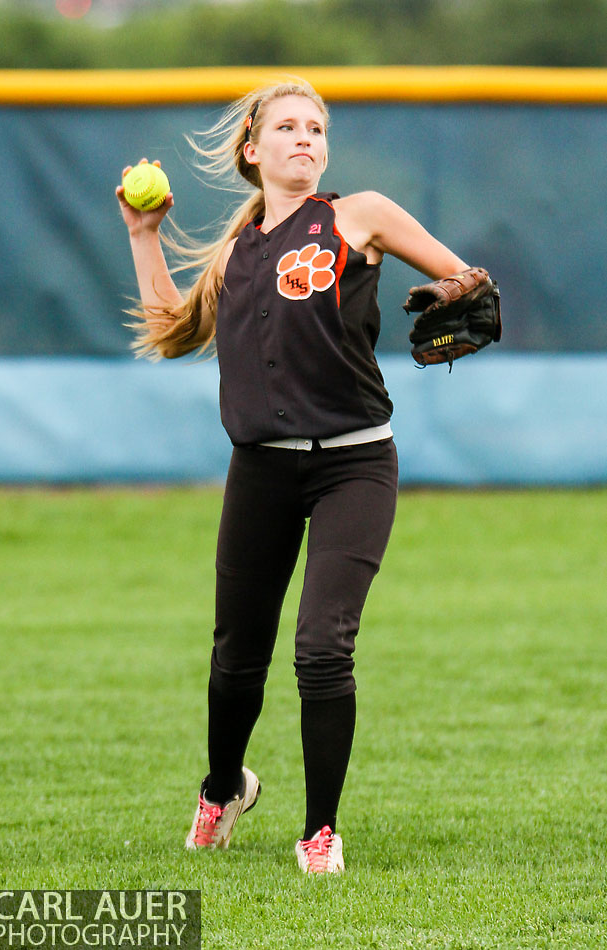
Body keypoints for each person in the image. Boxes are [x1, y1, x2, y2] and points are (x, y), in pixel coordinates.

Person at [116, 78, 472, 874]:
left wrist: (461, 296)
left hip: (355, 462)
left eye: (315, 127)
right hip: (260, 473)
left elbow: (463, 278)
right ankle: (223, 787)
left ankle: (319, 830)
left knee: (320, 648)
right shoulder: (238, 253)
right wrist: (145, 234)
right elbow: (174, 332)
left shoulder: (359, 215)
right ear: (253, 150)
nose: (305, 138)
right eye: (286, 127)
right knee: (236, 653)